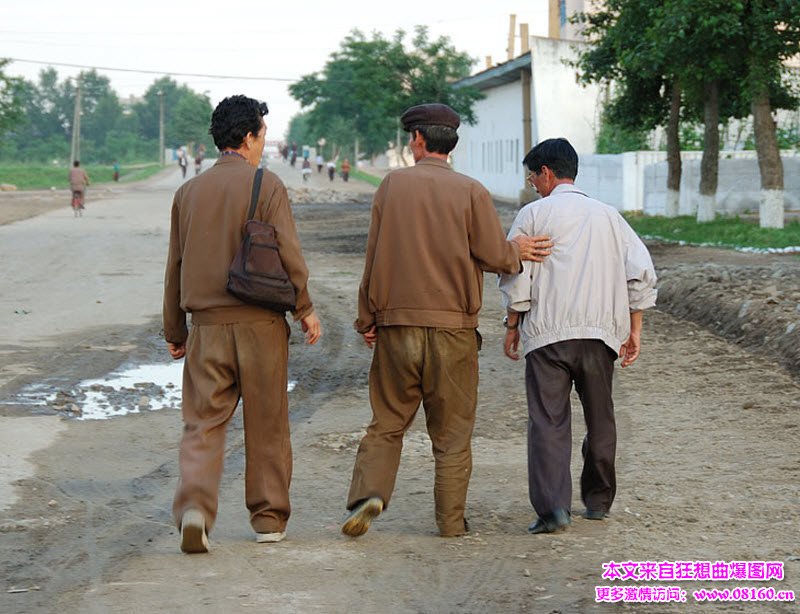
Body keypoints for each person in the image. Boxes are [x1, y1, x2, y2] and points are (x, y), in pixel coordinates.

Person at [341, 103, 553, 539]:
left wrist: (368, 318)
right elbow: (496, 256)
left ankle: (368, 496)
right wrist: (519, 251)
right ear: (450, 142)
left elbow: (374, 256)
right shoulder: (471, 191)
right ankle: (451, 523)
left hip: (397, 327)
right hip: (454, 331)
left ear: (418, 139)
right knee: (453, 433)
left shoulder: (391, 187)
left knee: (388, 422)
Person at [163, 95, 322, 554]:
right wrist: (304, 307)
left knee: (202, 424)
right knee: (268, 422)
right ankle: (268, 518)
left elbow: (175, 265)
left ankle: (195, 509)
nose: (263, 145)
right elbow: (288, 251)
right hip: (260, 325)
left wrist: (176, 330)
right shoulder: (265, 184)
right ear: (249, 137)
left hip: (207, 328)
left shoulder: (187, 193)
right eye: (263, 136)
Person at [498, 138, 657, 535]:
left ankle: (554, 510)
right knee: (600, 416)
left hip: (547, 335)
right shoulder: (609, 216)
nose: (532, 183)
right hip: (602, 334)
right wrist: (634, 328)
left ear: (547, 173)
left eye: (533, 175)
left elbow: (518, 274)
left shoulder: (533, 215)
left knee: (548, 422)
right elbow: (640, 272)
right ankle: (598, 501)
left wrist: (513, 325)